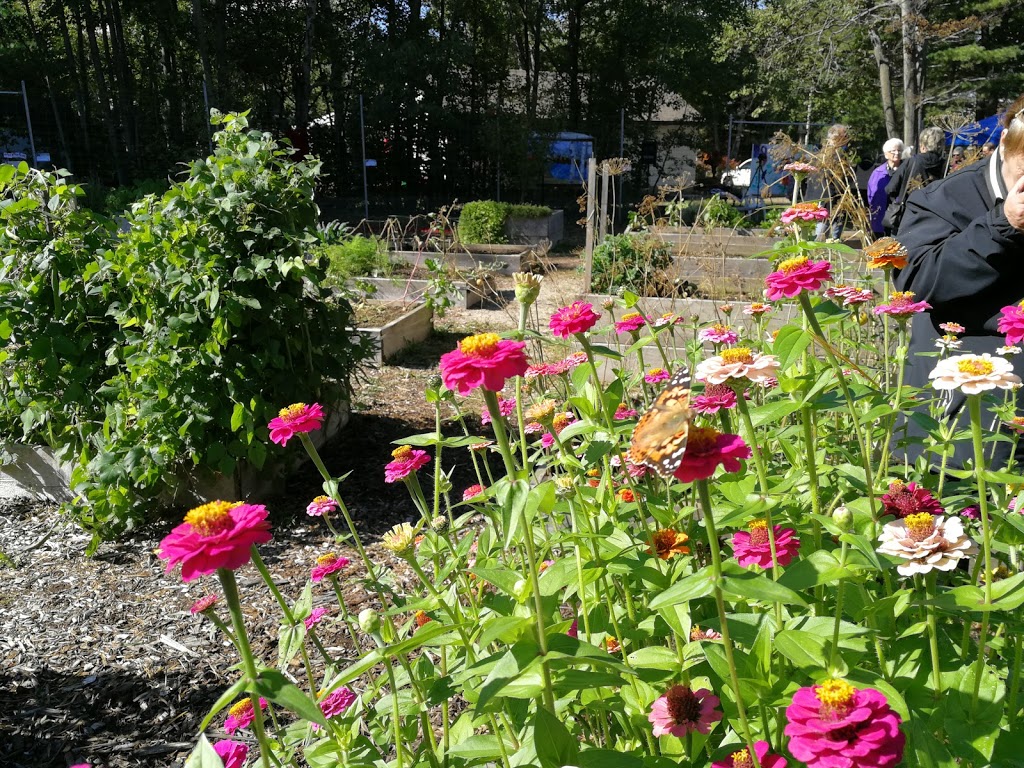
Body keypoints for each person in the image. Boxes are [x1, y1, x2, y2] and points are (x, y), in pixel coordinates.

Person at [892, 94, 1024, 468]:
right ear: (1003, 145)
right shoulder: (943, 200)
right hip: (966, 421)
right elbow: (918, 282)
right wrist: (1004, 225)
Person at [883, 126, 946, 233]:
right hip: (936, 219)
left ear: (922, 145)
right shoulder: (945, 165)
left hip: (908, 217)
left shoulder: (911, 162)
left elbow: (890, 188)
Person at [815, 124, 856, 241]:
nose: (846, 140)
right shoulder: (825, 155)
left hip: (839, 200)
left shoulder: (842, 155)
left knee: (834, 238)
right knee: (820, 236)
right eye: (844, 137)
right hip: (825, 200)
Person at [867, 138, 903, 236]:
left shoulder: (906, 170)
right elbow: (871, 194)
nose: (897, 153)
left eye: (899, 150)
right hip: (881, 214)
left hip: (899, 215)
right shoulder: (878, 172)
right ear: (886, 154)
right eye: (893, 150)